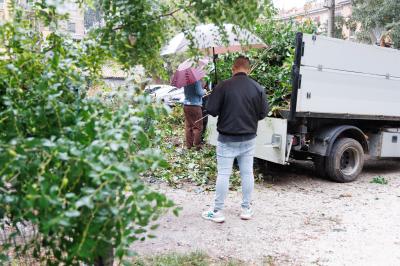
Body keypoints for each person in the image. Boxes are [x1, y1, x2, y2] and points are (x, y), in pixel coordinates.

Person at [202, 56, 268, 223]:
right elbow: (262, 114)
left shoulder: (223, 86)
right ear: (249, 69)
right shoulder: (258, 88)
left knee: (224, 174)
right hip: (249, 139)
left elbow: (211, 110)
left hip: (226, 139)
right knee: (247, 173)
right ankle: (246, 209)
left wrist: (215, 94)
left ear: (233, 68)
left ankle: (217, 211)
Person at [183, 80, 205, 149]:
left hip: (186, 105)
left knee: (188, 126)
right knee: (198, 126)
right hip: (195, 105)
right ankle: (197, 145)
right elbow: (199, 92)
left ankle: (189, 145)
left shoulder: (185, 81)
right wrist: (204, 90)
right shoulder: (196, 81)